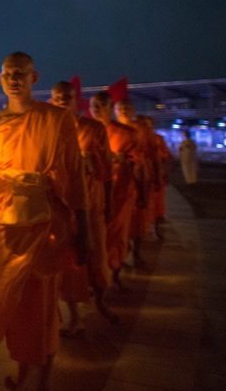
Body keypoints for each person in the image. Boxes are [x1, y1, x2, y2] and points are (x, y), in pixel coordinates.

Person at [0, 53, 87, 391]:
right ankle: (19, 366)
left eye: (21, 74)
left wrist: (82, 230)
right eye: (7, 74)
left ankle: (41, 389)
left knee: (40, 309)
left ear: (34, 76)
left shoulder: (56, 119)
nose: (14, 79)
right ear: (0, 78)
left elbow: (75, 174)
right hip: (1, 222)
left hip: (43, 224)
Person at [49, 82, 117, 333]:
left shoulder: (93, 128)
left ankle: (100, 301)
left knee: (97, 257)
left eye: (68, 96)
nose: (63, 100)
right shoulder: (51, 130)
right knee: (69, 264)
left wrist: (109, 205)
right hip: (64, 209)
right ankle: (74, 316)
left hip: (92, 205)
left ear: (76, 99)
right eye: (58, 97)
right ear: (53, 101)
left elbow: (107, 173)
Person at [90, 92, 142, 291]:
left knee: (116, 236)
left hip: (119, 192)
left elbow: (136, 162)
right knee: (95, 238)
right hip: (94, 192)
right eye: (94, 105)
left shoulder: (126, 133)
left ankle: (114, 273)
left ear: (111, 107)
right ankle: (97, 277)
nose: (97, 108)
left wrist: (120, 159)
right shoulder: (87, 130)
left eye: (102, 105)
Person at [116, 99, 153, 268]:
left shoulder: (139, 131)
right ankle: (119, 257)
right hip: (114, 184)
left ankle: (136, 254)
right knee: (117, 225)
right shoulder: (109, 130)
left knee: (136, 222)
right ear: (115, 111)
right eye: (121, 108)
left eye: (127, 108)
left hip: (134, 180)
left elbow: (144, 156)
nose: (124, 111)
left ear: (133, 111)